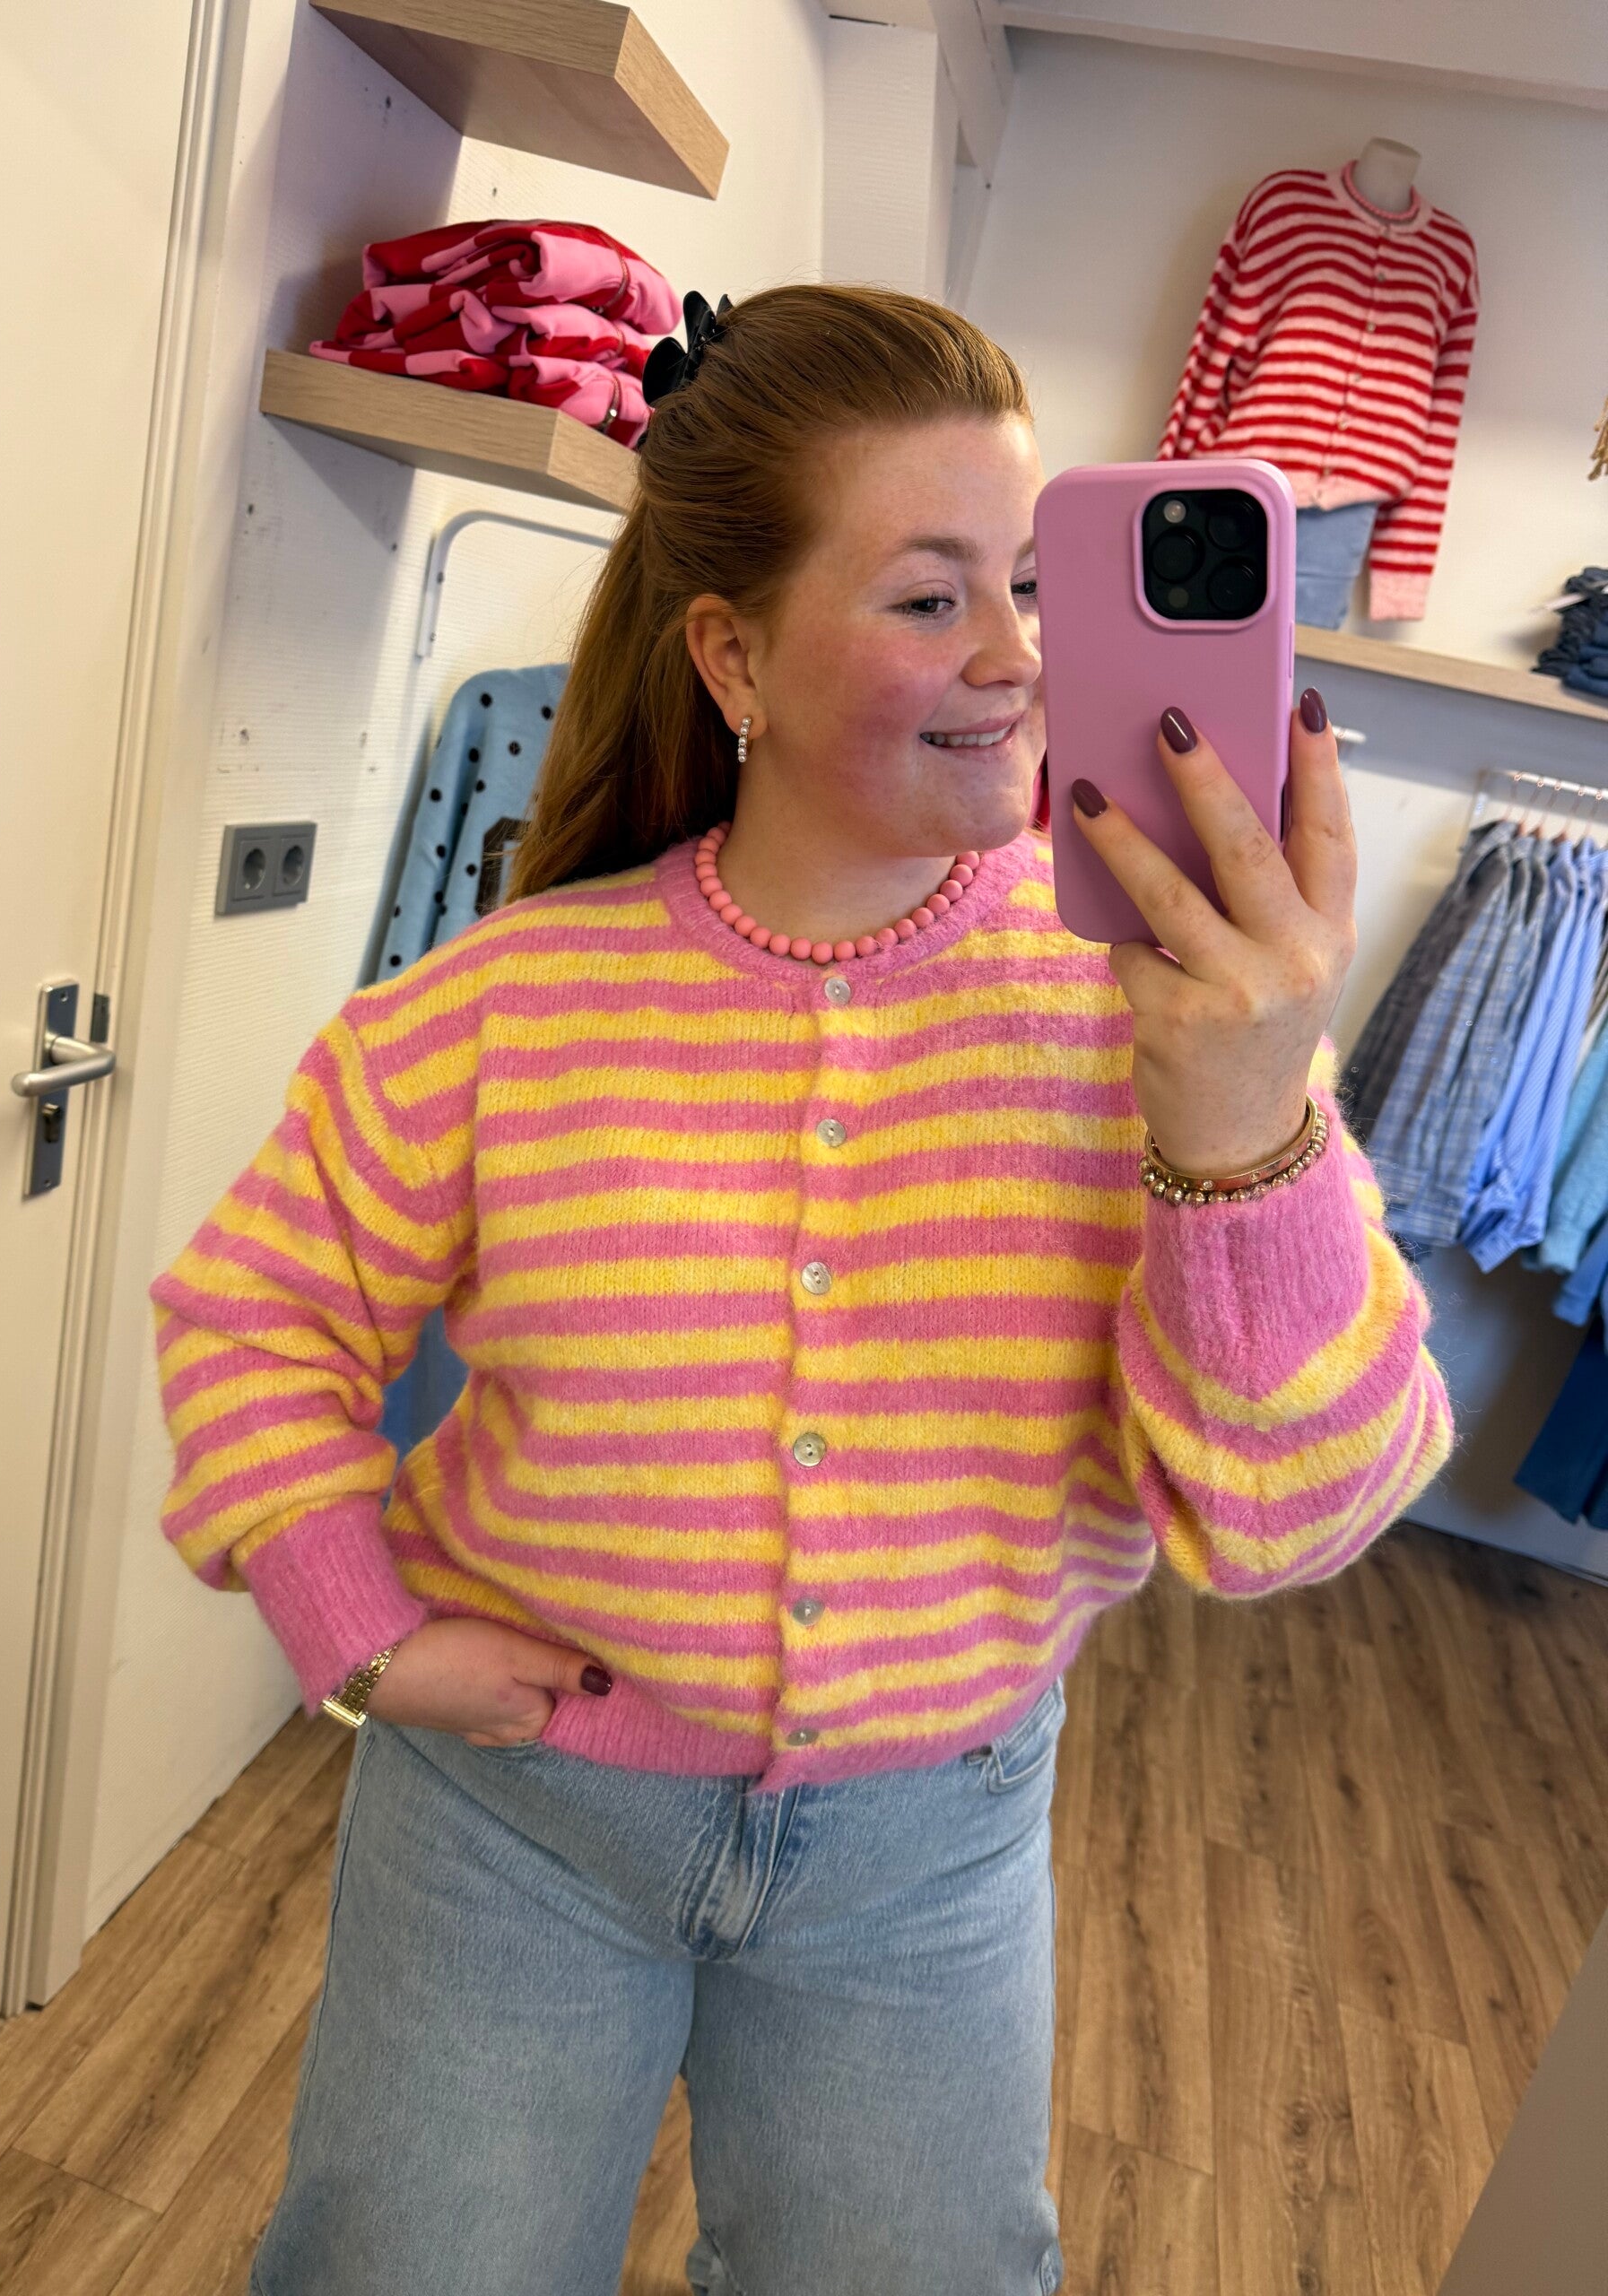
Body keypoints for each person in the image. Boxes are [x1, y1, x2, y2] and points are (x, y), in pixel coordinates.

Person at [152, 283, 1453, 2296]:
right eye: (933, 596)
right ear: (734, 654)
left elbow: (1291, 1523)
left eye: (1034, 583)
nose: (1019, 655)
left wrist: (1244, 1130)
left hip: (934, 1849)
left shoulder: (1168, 1019)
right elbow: (257, 1312)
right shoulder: (509, 1006)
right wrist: (354, 1624)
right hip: (516, 1822)